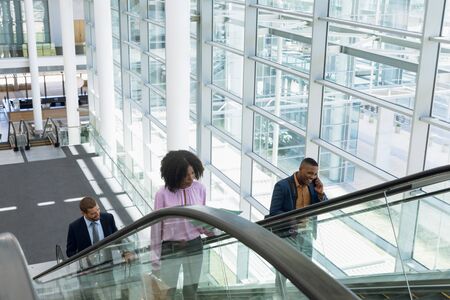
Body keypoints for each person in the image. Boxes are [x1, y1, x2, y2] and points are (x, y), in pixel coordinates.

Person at [150, 150, 207, 300]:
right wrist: (155, 262)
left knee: (191, 292)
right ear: (174, 175)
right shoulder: (162, 194)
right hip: (171, 248)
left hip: (195, 245)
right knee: (168, 292)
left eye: (193, 173)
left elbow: (202, 224)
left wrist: (213, 228)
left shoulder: (200, 189)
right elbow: (156, 230)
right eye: (185, 175)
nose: (190, 178)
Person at [268, 157, 328, 298]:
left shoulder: (314, 187)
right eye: (309, 173)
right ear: (300, 169)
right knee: (284, 271)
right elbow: (274, 212)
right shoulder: (282, 186)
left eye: (314, 174)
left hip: (306, 234)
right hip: (288, 235)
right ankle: (281, 296)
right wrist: (293, 220)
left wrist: (320, 193)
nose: (312, 177)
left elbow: (325, 206)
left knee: (306, 271)